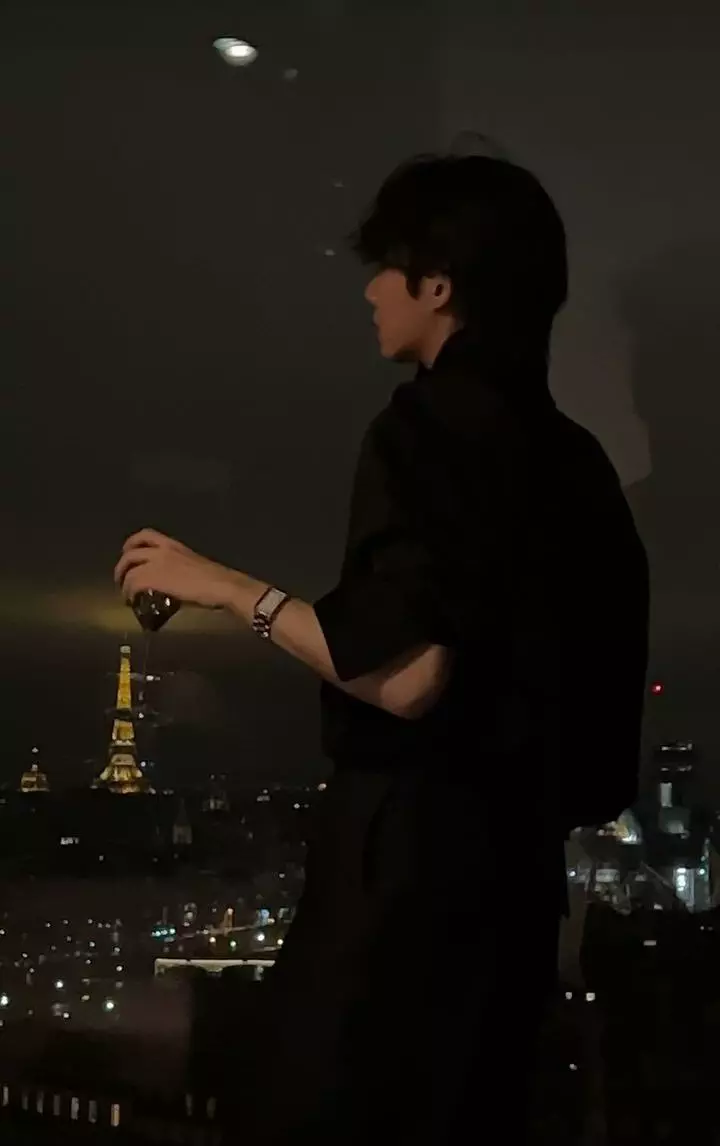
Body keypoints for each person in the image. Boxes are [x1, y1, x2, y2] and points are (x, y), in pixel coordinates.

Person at [114, 152, 649, 1142]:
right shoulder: (579, 464)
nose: (369, 292)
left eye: (386, 268)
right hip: (519, 893)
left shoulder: (424, 431)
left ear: (438, 285)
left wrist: (223, 587)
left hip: (404, 882)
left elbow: (404, 676)